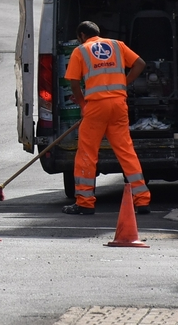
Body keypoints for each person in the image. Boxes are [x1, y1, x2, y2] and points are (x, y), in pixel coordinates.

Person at [63, 21, 151, 215]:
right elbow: (140, 64)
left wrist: (83, 106)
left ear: (81, 36)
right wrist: (122, 84)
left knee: (87, 154)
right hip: (119, 104)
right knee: (126, 151)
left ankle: (85, 202)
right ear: (98, 33)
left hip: (96, 106)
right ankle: (142, 199)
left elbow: (74, 84)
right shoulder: (117, 45)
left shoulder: (81, 50)